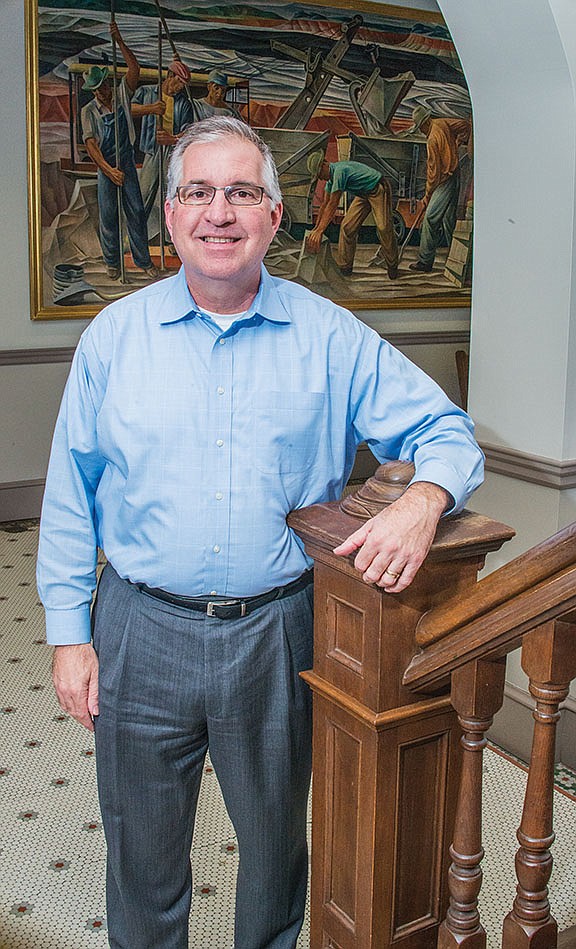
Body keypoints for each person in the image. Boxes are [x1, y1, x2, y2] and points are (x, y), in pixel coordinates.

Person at [37, 116, 484, 949]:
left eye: (242, 192)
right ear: (170, 216)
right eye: (199, 192)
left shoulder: (328, 336)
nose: (220, 211)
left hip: (277, 634)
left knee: (276, 849)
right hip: (138, 627)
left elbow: (448, 433)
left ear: (276, 217)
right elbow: (71, 496)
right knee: (141, 850)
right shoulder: (114, 339)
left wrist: (423, 500)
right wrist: (70, 634)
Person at [81, 21, 159, 280]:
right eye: (96, 90)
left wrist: (120, 42)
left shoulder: (121, 95)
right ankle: (112, 261)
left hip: (125, 161)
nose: (101, 93)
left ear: (107, 82)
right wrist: (108, 170)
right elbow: (91, 145)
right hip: (106, 165)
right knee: (109, 215)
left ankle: (143, 261)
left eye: (102, 87)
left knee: (136, 211)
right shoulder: (89, 111)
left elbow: (134, 69)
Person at [305, 153, 399, 278]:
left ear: (324, 164)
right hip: (362, 194)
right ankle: (345, 267)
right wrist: (316, 229)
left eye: (319, 174)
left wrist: (321, 231)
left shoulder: (339, 172)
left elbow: (333, 204)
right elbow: (324, 205)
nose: (321, 178)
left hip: (377, 188)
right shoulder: (331, 180)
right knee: (347, 227)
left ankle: (392, 265)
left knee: (383, 227)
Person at [409, 106, 472, 273]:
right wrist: (458, 141)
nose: (421, 131)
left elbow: (433, 173)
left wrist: (427, 195)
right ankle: (458, 258)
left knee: (430, 218)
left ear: (423, 123)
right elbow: (465, 125)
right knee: (449, 220)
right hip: (455, 176)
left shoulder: (432, 139)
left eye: (420, 127)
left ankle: (425, 261)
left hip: (445, 181)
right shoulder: (442, 123)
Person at [131, 59, 196, 221]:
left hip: (173, 153)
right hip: (152, 151)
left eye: (183, 84)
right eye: (179, 82)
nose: (180, 87)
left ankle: (170, 240)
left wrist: (173, 139)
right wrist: (151, 108)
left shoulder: (184, 103)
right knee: (143, 195)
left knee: (173, 198)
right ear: (169, 75)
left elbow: (189, 131)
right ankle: (133, 239)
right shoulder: (146, 92)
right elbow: (127, 109)